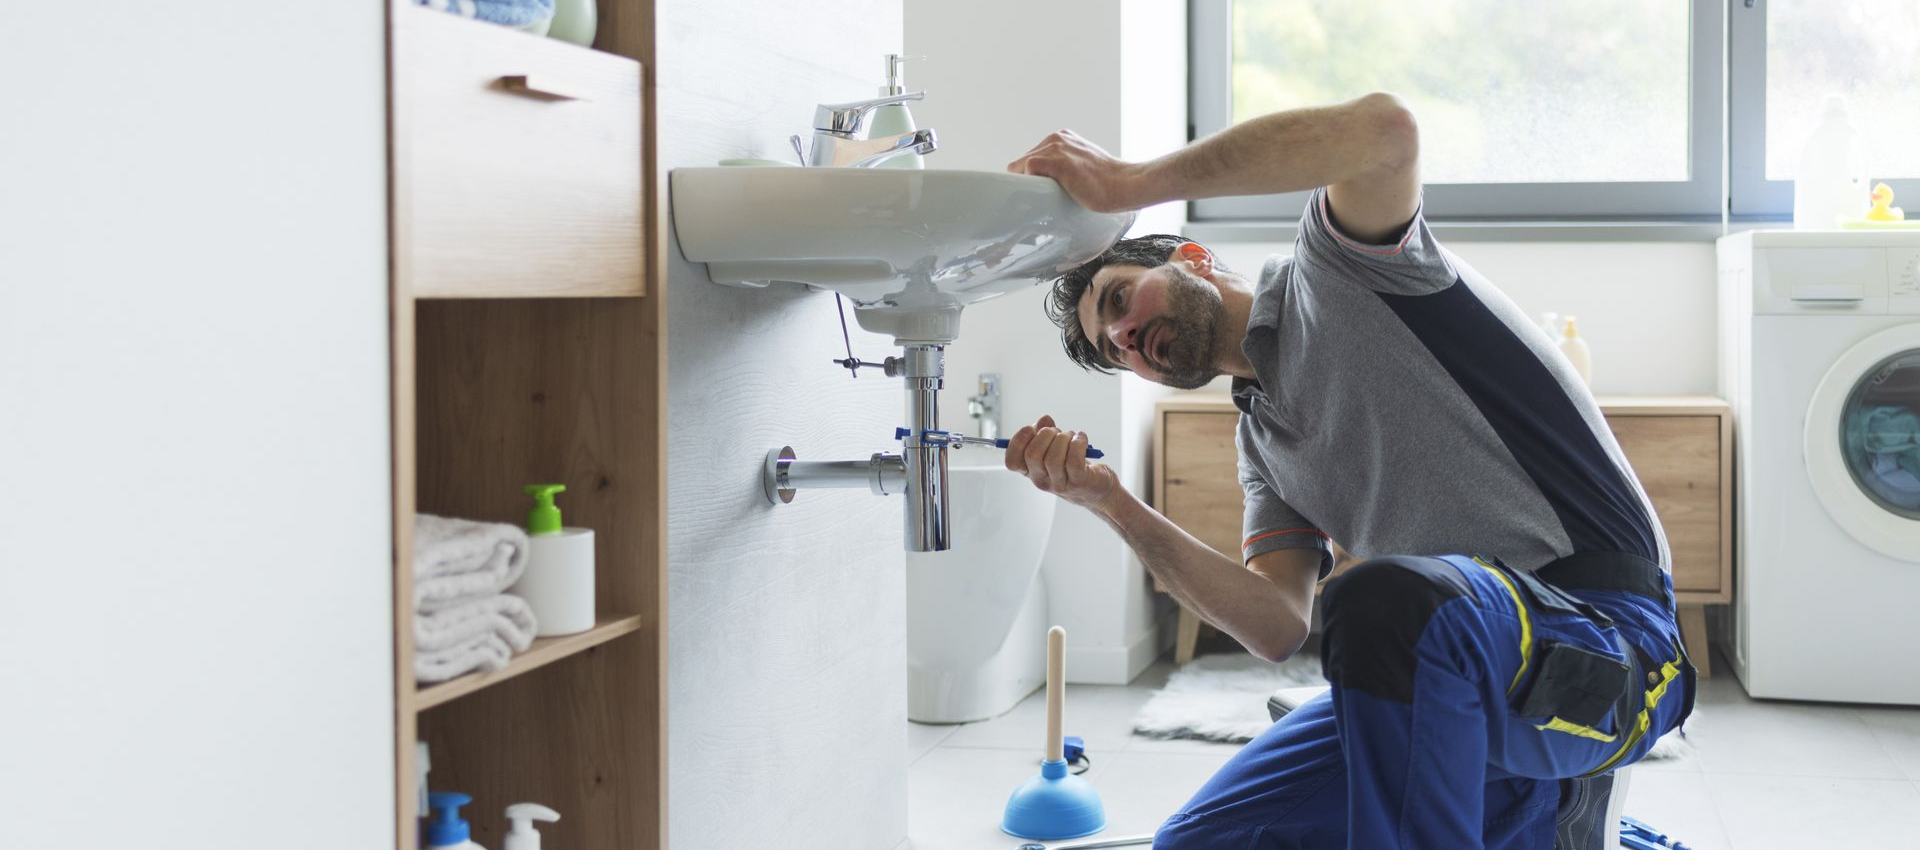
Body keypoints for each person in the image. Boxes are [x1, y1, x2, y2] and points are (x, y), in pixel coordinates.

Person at [1000, 93, 1695, 850]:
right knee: (1196, 844)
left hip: (1611, 636)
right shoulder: (1265, 445)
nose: (1127, 335)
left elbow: (1383, 133)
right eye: (1114, 348)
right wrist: (1111, 503)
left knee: (1386, 603)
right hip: (1453, 657)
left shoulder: (1340, 270)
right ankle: (1551, 816)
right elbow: (1276, 624)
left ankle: (1550, 811)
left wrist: (1125, 186)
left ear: (1192, 258)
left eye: (1121, 299)